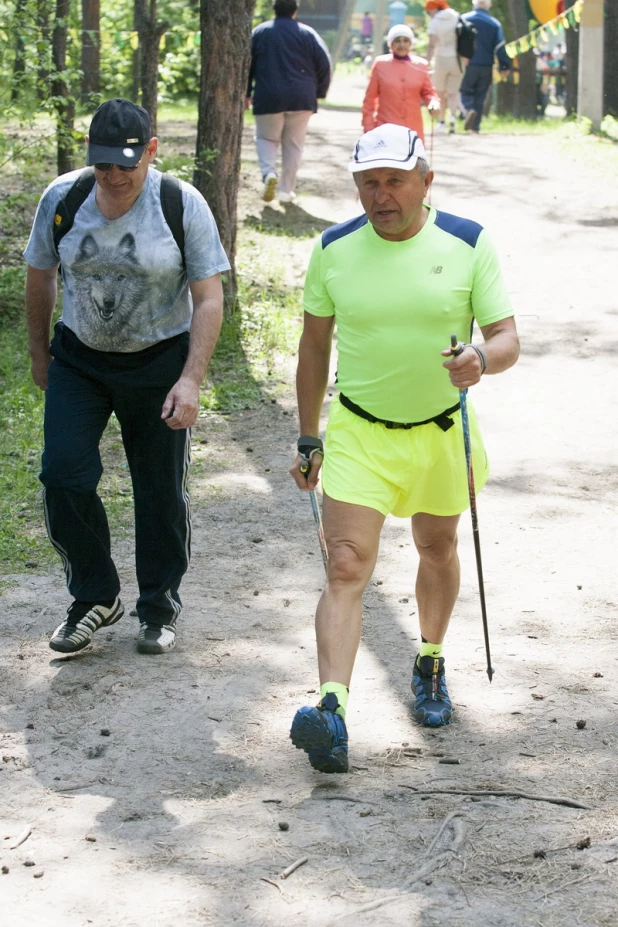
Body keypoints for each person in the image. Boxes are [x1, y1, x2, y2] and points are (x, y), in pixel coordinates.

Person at [288, 123, 519, 773]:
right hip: (360, 430)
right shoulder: (334, 250)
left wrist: (480, 358)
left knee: (436, 548)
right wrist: (309, 436)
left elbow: (505, 337)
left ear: (426, 179)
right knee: (345, 564)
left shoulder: (468, 243)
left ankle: (431, 660)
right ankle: (331, 710)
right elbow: (314, 347)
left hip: (441, 431)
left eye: (394, 181)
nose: (381, 195)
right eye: (368, 183)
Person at [23, 98, 229, 656]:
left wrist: (190, 380)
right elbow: (40, 274)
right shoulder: (64, 198)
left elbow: (209, 299)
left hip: (160, 362)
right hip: (80, 359)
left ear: (152, 152)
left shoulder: (179, 204)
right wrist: (40, 354)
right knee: (62, 475)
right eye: (103, 164)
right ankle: (94, 597)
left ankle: (158, 606)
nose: (113, 176)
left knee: (159, 492)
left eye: (126, 164)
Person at [246, 0, 332, 204]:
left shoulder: (260, 32)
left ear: (274, 9)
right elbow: (324, 64)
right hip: (302, 97)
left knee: (267, 139)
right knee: (293, 145)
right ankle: (286, 192)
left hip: (268, 95)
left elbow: (246, 64)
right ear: (295, 11)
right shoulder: (308, 34)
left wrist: (246, 92)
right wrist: (319, 91)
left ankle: (268, 174)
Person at [362, 24, 440, 142]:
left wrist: (433, 102)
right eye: (397, 41)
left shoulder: (421, 65)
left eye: (405, 40)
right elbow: (369, 100)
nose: (402, 45)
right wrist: (369, 129)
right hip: (385, 129)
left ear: (411, 44)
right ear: (391, 44)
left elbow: (428, 92)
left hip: (413, 130)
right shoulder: (380, 64)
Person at [460, 0, 510, 133]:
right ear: (488, 5)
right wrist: (504, 66)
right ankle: (475, 127)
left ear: (474, 3)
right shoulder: (494, 23)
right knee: (480, 96)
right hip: (487, 64)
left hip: (467, 63)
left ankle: (468, 109)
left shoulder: (464, 19)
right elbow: (500, 47)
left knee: (464, 91)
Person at [425, 0, 463, 135]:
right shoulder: (456, 16)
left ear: (434, 9)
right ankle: (453, 116)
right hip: (458, 59)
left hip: (441, 58)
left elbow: (432, 45)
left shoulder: (435, 22)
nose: (429, 14)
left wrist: (427, 61)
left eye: (428, 11)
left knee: (440, 92)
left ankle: (442, 122)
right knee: (453, 92)